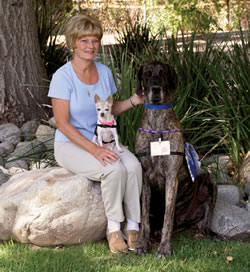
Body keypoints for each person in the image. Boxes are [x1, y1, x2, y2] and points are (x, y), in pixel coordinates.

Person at [48, 14, 145, 253]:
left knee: (133, 167)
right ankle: (113, 229)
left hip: (104, 140)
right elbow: (62, 123)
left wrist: (134, 100)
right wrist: (95, 150)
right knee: (112, 169)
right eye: (84, 41)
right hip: (71, 144)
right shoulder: (62, 77)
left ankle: (133, 226)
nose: (90, 46)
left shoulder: (104, 72)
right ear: (73, 43)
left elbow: (109, 111)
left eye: (94, 40)